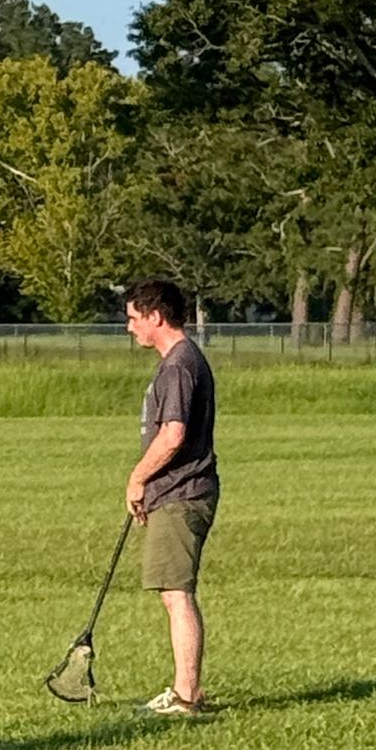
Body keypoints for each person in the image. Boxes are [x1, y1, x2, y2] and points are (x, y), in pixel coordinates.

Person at [124, 278, 219, 715]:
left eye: (133, 318)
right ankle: (185, 691)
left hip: (183, 493)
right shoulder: (180, 361)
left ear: (155, 317)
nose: (129, 328)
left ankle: (187, 695)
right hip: (175, 493)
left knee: (176, 592)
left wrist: (137, 478)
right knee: (170, 590)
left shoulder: (179, 365)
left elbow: (173, 434)